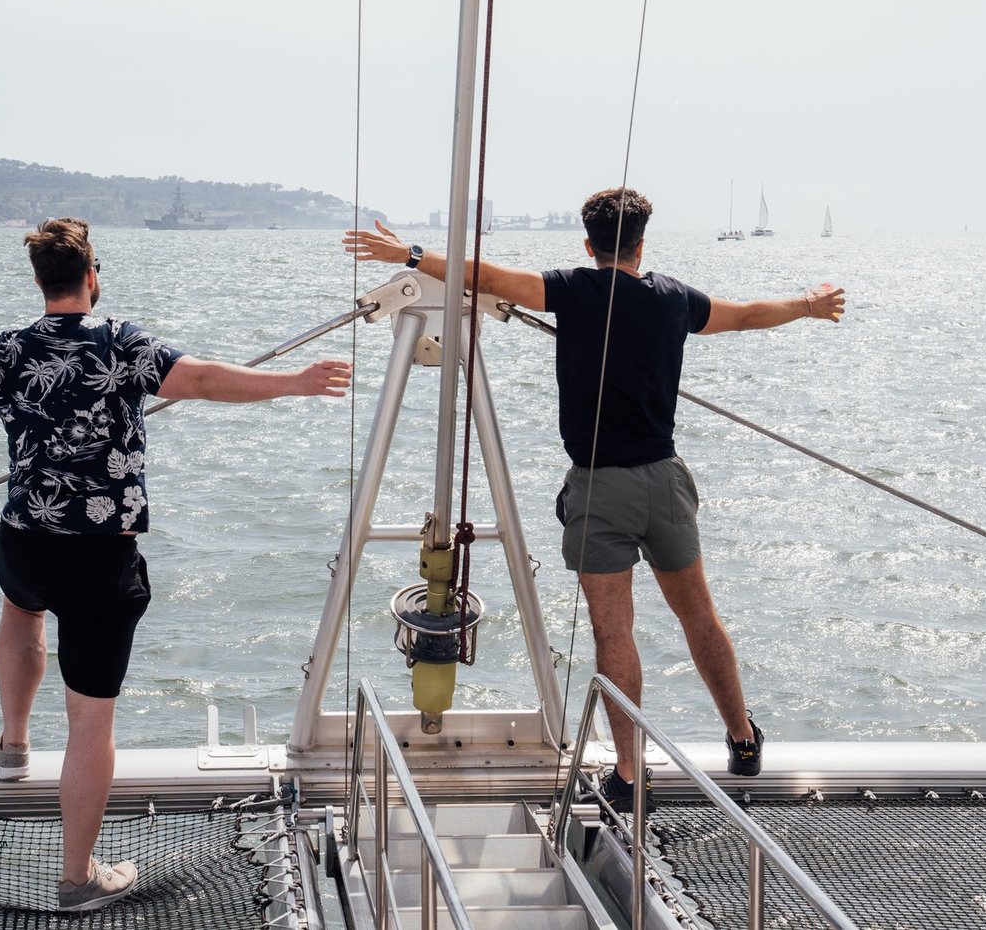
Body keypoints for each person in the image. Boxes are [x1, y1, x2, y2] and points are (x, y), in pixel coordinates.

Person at [0, 218, 351, 913]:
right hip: (98, 558)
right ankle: (78, 877)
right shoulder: (124, 343)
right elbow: (200, 379)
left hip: (25, 542)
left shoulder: (11, 350)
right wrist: (294, 382)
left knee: (21, 610)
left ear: (41, 281)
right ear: (93, 276)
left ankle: (12, 746)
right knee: (89, 723)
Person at [343, 188, 844, 809]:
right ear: (642, 245)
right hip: (664, 481)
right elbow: (743, 315)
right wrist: (808, 305)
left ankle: (630, 777)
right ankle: (742, 740)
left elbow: (484, 275)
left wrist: (412, 255)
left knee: (615, 634)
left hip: (598, 487)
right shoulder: (674, 299)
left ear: (589, 244)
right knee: (699, 616)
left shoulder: (573, 289)